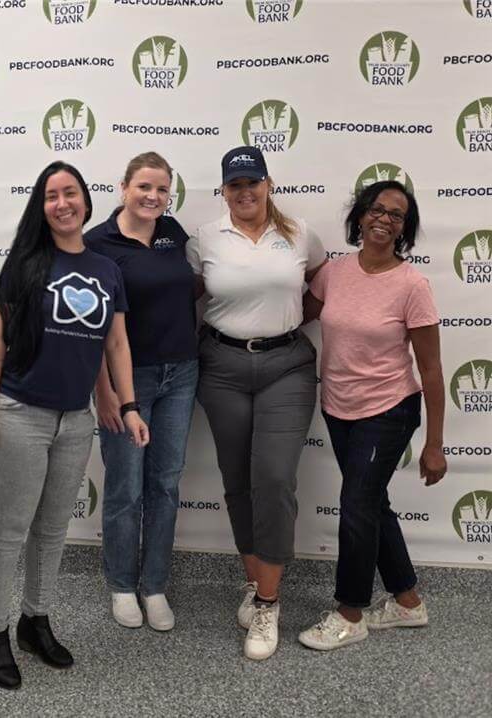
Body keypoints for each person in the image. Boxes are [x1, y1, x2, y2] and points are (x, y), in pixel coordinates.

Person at [0, 161, 150, 690]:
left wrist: (129, 405)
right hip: (19, 416)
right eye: (51, 195)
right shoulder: (25, 265)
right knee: (8, 532)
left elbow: (115, 344)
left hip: (75, 421)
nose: (62, 202)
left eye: (71, 193)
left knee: (50, 530)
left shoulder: (105, 270)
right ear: (41, 207)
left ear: (87, 203)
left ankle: (35, 620)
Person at [186, 145, 326, 660]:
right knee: (238, 480)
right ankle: (254, 582)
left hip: (286, 365)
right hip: (221, 366)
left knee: (272, 476)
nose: (244, 193)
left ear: (268, 184)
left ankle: (269, 602)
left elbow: (320, 287)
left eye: (253, 183)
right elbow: (192, 295)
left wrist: (286, 321)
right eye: (234, 185)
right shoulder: (204, 238)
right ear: (224, 191)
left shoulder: (299, 234)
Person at [298, 180, 447, 651]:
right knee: (372, 504)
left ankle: (350, 612)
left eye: (396, 215)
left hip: (389, 409)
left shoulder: (412, 285)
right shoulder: (334, 274)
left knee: (358, 505)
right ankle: (408, 602)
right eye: (377, 210)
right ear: (361, 216)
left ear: (406, 228)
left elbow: (431, 367)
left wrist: (436, 443)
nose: (384, 219)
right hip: (339, 406)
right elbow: (296, 314)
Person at [85, 152, 198, 631]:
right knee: (126, 488)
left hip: (182, 375)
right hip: (127, 382)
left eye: (161, 189)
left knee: (165, 485)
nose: (152, 197)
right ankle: (121, 585)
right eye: (143, 187)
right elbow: (88, 325)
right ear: (123, 187)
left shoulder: (175, 235)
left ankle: (155, 585)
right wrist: (104, 391)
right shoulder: (98, 243)